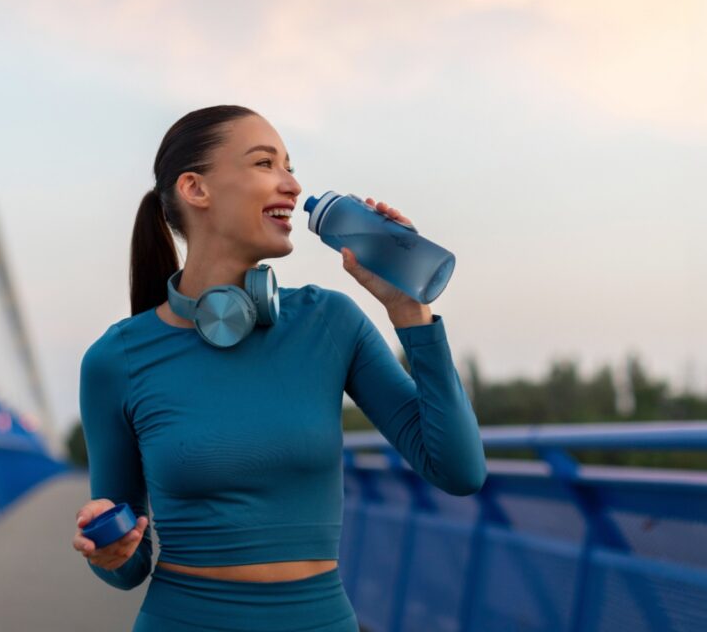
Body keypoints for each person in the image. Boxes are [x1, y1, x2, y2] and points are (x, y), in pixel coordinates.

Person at [70, 104, 488, 631]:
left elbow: (459, 471)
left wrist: (410, 312)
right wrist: (108, 551)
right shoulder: (116, 360)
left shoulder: (330, 322)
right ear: (195, 189)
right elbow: (127, 567)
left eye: (289, 165)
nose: (292, 184)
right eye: (266, 163)